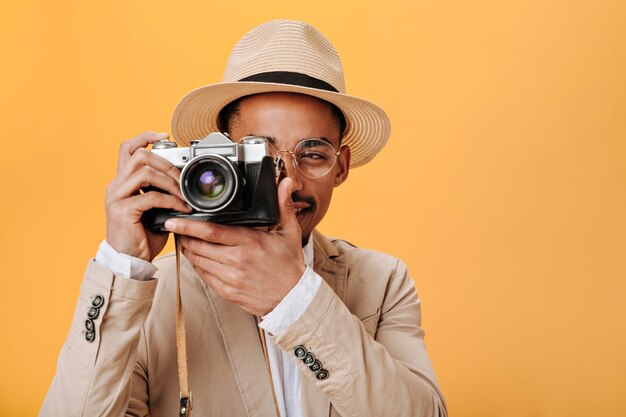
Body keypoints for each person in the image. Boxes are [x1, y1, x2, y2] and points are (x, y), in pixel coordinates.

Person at [40, 19, 447, 417]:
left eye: (313, 153)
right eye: (261, 153)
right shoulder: (154, 293)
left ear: (340, 167)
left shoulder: (383, 283)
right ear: (219, 160)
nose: (285, 182)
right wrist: (120, 266)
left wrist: (294, 297)